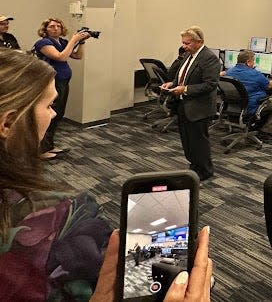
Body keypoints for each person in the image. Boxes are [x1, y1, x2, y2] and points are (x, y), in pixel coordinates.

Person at [0, 49, 213, 301]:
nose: (55, 113)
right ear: (8, 123)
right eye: (49, 105)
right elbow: (131, 286)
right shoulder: (59, 216)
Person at [161, 26, 221, 182]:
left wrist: (185, 89)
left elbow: (210, 84)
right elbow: (182, 76)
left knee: (198, 141)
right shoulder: (188, 55)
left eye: (187, 43)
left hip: (199, 107)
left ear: (199, 42)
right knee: (187, 140)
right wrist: (172, 83)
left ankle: (205, 170)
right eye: (183, 43)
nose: (184, 46)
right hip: (184, 105)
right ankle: (194, 165)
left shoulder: (209, 58)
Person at [33, 17, 92, 160]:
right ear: (45, 29)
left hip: (63, 80)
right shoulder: (43, 42)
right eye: (52, 26)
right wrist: (74, 39)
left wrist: (81, 42)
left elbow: (77, 56)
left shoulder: (62, 42)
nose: (56, 29)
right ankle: (41, 150)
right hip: (51, 82)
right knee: (49, 114)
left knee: (58, 113)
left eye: (58, 26)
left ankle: (49, 146)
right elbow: (60, 57)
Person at [223, 50, 272, 140]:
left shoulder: (229, 72)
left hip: (233, 107)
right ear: (248, 62)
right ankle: (267, 132)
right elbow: (269, 85)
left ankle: (255, 126)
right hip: (251, 106)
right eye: (253, 61)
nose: (254, 63)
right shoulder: (254, 73)